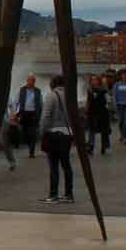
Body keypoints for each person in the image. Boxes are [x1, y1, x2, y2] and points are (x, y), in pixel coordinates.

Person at [40, 75, 75, 203]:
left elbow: (45, 116)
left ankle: (53, 195)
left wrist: (42, 131)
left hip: (54, 134)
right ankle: (69, 195)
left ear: (53, 84)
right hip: (67, 133)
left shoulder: (51, 95)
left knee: (54, 165)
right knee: (66, 165)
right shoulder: (71, 96)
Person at [14, 75, 43, 158]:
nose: (31, 82)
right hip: (23, 113)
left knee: (33, 133)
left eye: (33, 80)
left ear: (34, 82)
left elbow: (41, 103)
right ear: (27, 81)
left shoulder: (38, 91)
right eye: (29, 80)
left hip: (33, 114)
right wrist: (15, 113)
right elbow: (16, 102)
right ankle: (26, 143)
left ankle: (32, 151)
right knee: (25, 131)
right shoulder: (22, 90)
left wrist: (42, 115)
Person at [85, 75, 111, 155]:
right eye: (92, 80)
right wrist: (86, 110)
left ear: (99, 81)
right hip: (92, 112)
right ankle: (90, 146)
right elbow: (88, 101)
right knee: (91, 130)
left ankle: (104, 146)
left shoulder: (104, 90)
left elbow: (108, 101)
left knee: (104, 130)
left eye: (95, 79)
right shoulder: (89, 90)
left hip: (102, 112)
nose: (94, 81)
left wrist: (109, 108)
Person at [112, 72, 126, 146]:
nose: (124, 76)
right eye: (123, 75)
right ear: (120, 76)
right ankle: (122, 134)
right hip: (119, 105)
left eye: (125, 75)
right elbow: (114, 95)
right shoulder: (117, 85)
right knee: (120, 122)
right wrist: (115, 104)